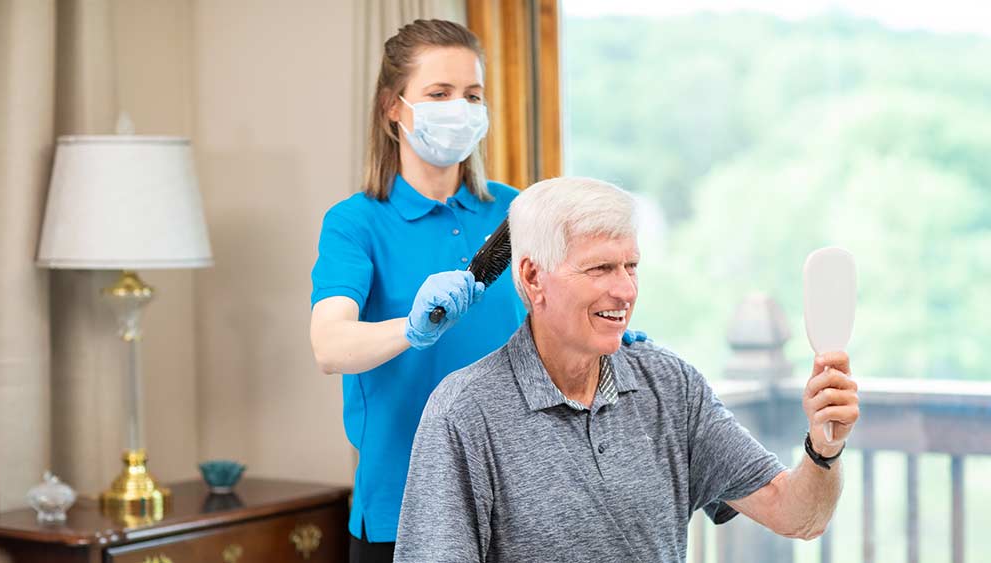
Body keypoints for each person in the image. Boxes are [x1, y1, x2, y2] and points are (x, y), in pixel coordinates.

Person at [309, 21, 645, 563]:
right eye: (439, 94)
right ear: (393, 107)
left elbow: (551, 322)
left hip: (521, 502)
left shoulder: (519, 214)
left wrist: (594, 333)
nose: (459, 109)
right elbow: (330, 346)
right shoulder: (355, 224)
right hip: (403, 505)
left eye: (473, 95)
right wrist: (413, 329)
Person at [394, 177, 861, 563]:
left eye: (631, 266)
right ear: (534, 278)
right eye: (600, 269)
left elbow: (799, 516)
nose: (625, 290)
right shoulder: (464, 414)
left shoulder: (671, 386)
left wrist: (824, 447)